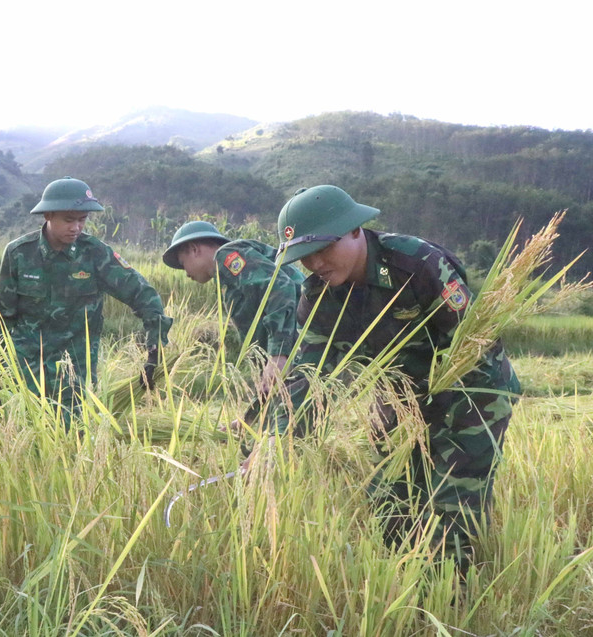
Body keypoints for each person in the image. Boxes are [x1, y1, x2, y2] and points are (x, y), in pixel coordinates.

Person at [255, 185, 519, 570]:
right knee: (387, 499)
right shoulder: (318, 296)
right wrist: (277, 439)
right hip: (399, 392)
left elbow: (475, 342)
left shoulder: (418, 264)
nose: (315, 264)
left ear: (355, 231)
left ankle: (448, 602)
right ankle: (398, 584)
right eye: (303, 258)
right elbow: (310, 376)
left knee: (451, 505)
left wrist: (434, 412)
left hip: (471, 393)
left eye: (322, 249)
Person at [0, 176, 173, 417]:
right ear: (48, 215)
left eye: (82, 220)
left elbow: (141, 293)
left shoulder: (95, 254)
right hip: (27, 369)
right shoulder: (19, 253)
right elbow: (1, 316)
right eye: (68, 220)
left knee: (74, 437)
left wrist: (154, 349)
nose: (76, 227)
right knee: (21, 430)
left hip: (75, 373)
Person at [161, 220, 305, 377]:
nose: (186, 273)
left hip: (303, 340)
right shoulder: (224, 281)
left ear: (194, 249)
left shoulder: (226, 256)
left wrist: (278, 356)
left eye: (183, 264)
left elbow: (280, 288)